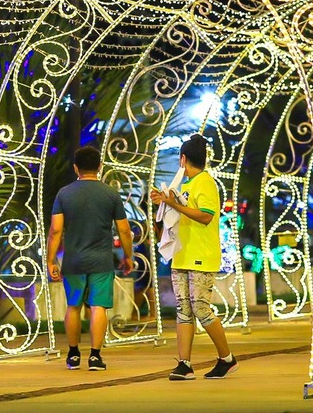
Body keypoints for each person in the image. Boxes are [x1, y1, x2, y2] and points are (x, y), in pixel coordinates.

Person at [149, 133, 238, 380]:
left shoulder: (205, 182)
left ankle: (227, 359)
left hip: (201, 255)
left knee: (200, 308)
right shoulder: (185, 185)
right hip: (182, 255)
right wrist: (163, 203)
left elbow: (206, 216)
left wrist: (174, 204)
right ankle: (185, 364)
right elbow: (176, 215)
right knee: (183, 309)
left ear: (183, 158)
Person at [47, 145, 134, 371]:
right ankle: (95, 357)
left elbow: (55, 230)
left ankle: (73, 355)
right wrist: (128, 256)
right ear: (99, 167)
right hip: (101, 261)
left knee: (73, 306)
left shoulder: (64, 194)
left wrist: (50, 260)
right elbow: (124, 231)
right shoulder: (110, 194)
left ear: (76, 168)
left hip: (73, 261)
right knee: (98, 307)